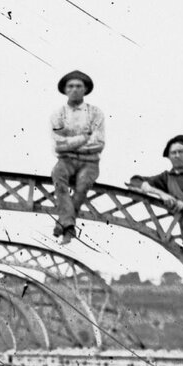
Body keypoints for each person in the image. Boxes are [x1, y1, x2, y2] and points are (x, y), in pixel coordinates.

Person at [49, 70, 106, 243]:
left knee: (83, 186)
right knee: (58, 177)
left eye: (79, 86)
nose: (74, 90)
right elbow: (58, 145)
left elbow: (98, 143)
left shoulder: (96, 113)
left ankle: (63, 223)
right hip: (65, 161)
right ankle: (69, 226)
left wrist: (70, 144)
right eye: (71, 86)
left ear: (85, 89)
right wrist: (83, 138)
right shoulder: (58, 115)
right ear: (65, 90)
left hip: (90, 163)